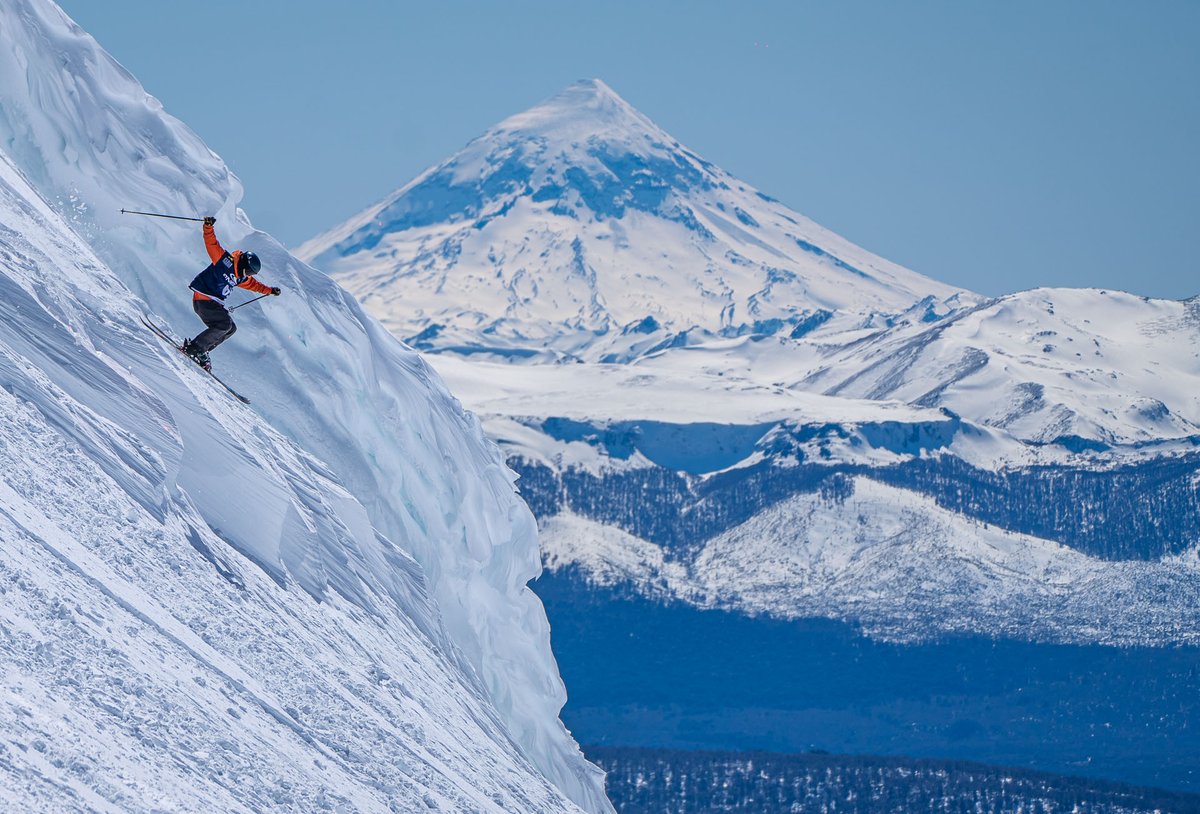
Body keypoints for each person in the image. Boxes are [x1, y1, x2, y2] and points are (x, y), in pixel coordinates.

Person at [182, 216, 280, 370]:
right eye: (249, 271)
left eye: (250, 273)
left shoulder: (241, 277)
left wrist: (269, 290)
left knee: (231, 328)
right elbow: (211, 243)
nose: (248, 275)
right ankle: (195, 347)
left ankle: (202, 350)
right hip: (204, 299)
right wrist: (208, 226)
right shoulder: (225, 261)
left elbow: (253, 285)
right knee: (224, 324)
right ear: (243, 264)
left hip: (212, 304)